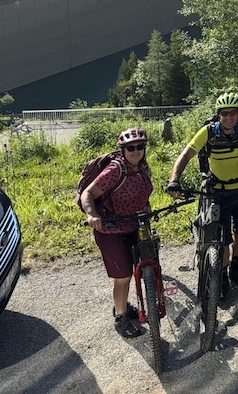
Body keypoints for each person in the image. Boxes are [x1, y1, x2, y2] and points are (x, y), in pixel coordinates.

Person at [167, 89, 238, 293]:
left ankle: (236, 268)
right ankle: (221, 274)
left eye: (233, 113)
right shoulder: (209, 132)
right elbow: (185, 156)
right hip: (218, 192)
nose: (228, 117)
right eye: (224, 113)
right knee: (222, 239)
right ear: (219, 115)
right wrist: (174, 180)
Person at [81, 127, 153, 338]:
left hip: (135, 225)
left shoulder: (142, 168)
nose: (136, 151)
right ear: (123, 150)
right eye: (131, 148)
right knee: (123, 276)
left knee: (141, 267)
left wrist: (147, 209)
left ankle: (121, 305)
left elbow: (142, 194)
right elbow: (88, 194)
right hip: (111, 230)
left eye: (140, 147)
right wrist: (92, 214)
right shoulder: (115, 170)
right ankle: (121, 318)